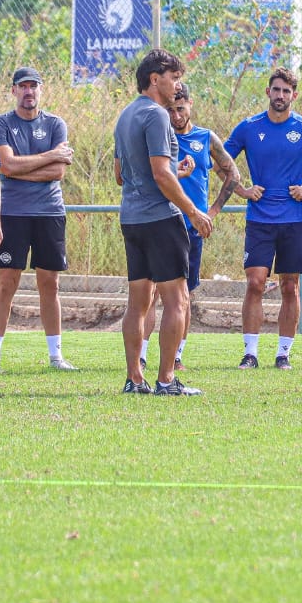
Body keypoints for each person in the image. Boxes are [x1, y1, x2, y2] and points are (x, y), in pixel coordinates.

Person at [226, 67, 302, 369]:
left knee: (290, 285)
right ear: (268, 92)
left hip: (294, 219)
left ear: (294, 95)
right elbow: (221, 162)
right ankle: (250, 353)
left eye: (286, 91)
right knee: (255, 282)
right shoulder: (249, 127)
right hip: (260, 219)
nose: (280, 96)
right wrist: (242, 190)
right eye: (276, 90)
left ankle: (283, 354)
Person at [114, 49, 214, 395]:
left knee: (138, 304)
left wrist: (177, 171)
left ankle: (134, 379)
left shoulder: (126, 115)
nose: (177, 85)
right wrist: (193, 211)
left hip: (132, 218)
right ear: (154, 79)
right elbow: (159, 174)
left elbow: (121, 175)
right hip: (161, 219)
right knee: (178, 301)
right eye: (173, 77)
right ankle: (166, 380)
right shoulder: (157, 115)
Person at [140, 82, 240, 372]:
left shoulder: (206, 138)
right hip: (162, 221)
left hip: (192, 228)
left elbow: (232, 172)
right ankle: (144, 354)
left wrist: (213, 210)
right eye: (169, 109)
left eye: (180, 108)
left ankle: (177, 355)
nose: (175, 115)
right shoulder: (160, 137)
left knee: (184, 295)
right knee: (153, 292)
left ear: (191, 105)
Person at [0, 67, 77, 372]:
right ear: (13, 91)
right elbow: (7, 166)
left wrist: (34, 165)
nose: (28, 92)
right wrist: (49, 155)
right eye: (22, 86)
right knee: (6, 282)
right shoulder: (0, 123)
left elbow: (59, 172)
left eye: (33, 86)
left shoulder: (55, 123)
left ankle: (56, 356)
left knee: (49, 283)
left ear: (41, 89)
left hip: (49, 212)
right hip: (12, 213)